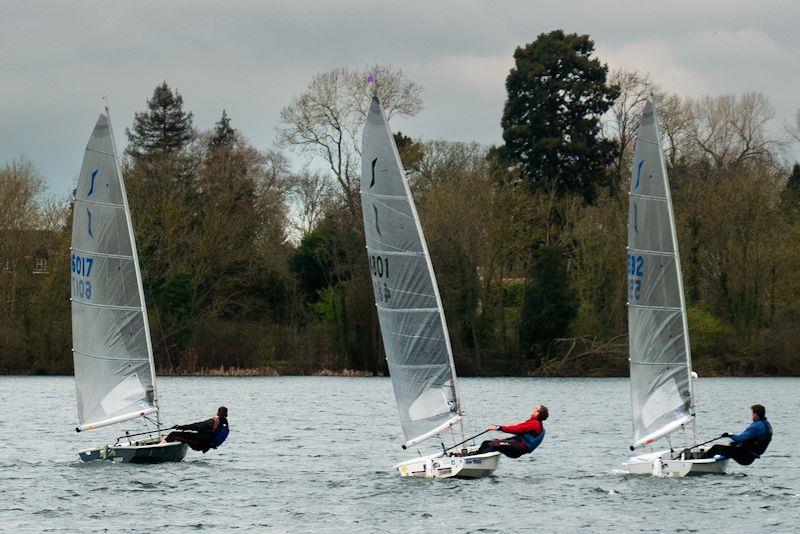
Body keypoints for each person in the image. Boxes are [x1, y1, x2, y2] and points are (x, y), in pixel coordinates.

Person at [701, 404, 772, 465]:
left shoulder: (757, 425)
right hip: (751, 456)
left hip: (745, 456)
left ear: (756, 415)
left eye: (752, 413)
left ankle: (701, 462)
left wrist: (730, 435)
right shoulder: (766, 424)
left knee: (716, 448)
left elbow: (741, 438)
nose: (752, 415)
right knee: (732, 444)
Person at [472, 405, 548, 459]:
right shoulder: (533, 423)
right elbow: (519, 434)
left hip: (518, 449)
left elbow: (516, 429)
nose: (533, 409)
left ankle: (475, 459)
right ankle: (474, 455)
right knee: (486, 443)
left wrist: (499, 428)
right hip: (516, 445)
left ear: (537, 413)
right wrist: (504, 440)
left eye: (535, 409)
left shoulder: (535, 424)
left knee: (493, 445)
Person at [165, 406, 229, 453]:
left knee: (173, 434)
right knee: (182, 435)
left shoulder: (214, 422)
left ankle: (160, 448)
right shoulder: (224, 423)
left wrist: (181, 427)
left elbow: (196, 426)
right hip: (206, 443)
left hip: (199, 443)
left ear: (218, 412)